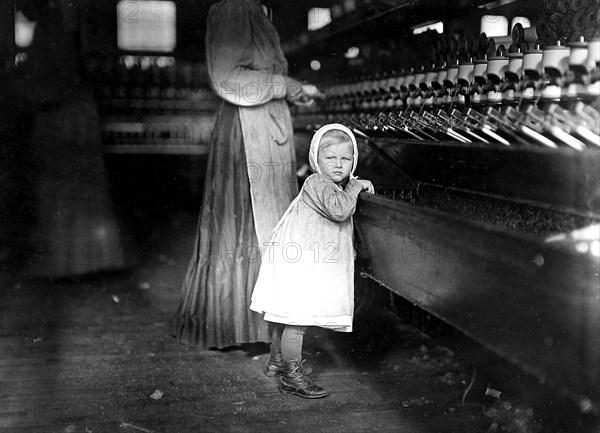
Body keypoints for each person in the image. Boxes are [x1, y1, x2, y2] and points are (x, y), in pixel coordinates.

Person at [172, 0, 320, 349]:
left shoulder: (252, 8)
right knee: (250, 223)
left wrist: (295, 89)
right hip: (247, 131)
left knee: (264, 223)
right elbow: (227, 78)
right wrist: (287, 85)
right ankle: (241, 327)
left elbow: (256, 72)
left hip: (261, 125)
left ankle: (261, 328)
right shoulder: (235, 8)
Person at [250, 123, 375, 399]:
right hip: (300, 262)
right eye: (330, 158)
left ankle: (277, 362)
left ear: (354, 159)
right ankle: (292, 377)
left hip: (299, 258)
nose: (339, 165)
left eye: (346, 158)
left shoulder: (331, 184)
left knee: (287, 313)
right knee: (297, 317)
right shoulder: (317, 182)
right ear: (315, 159)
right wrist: (355, 186)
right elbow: (340, 211)